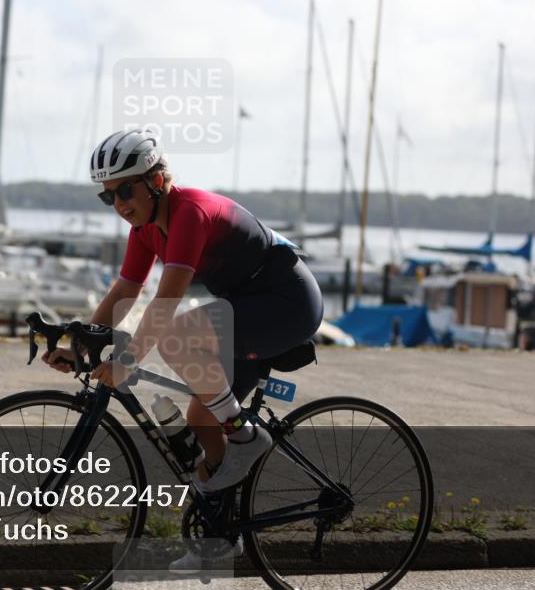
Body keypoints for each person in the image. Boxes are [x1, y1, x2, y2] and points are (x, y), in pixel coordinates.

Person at [42, 129, 324, 572]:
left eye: (126, 190)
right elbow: (126, 290)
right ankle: (217, 539)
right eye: (108, 196)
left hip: (286, 300)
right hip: (246, 306)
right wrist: (81, 348)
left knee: (177, 335)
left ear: (156, 180)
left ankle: (247, 437)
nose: (118, 203)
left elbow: (166, 299)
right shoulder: (145, 229)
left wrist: (127, 361)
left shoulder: (190, 212)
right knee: (200, 418)